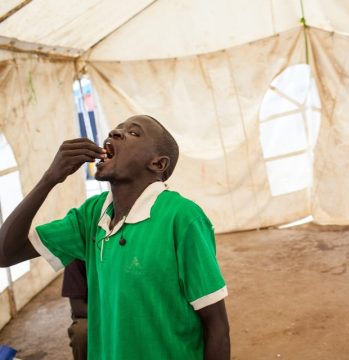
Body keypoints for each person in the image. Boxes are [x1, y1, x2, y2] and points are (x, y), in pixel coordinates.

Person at [0, 115, 230, 359]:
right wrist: (49, 179)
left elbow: (217, 325)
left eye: (133, 132)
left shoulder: (182, 217)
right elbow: (5, 254)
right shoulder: (91, 216)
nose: (114, 133)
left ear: (158, 164)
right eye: (116, 129)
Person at [62, 259, 87, 360]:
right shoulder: (76, 258)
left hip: (129, 310)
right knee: (81, 333)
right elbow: (78, 308)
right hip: (93, 314)